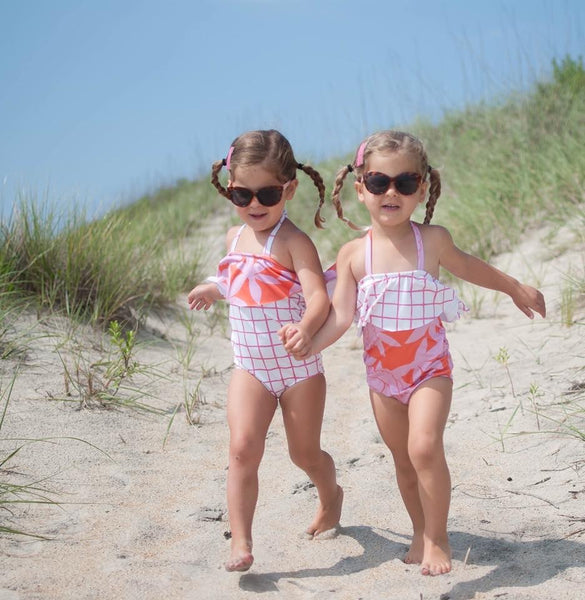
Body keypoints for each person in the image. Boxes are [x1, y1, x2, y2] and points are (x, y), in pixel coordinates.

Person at [280, 130, 546, 576]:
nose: (392, 192)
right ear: (361, 187)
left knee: (424, 448)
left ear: (421, 188)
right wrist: (309, 346)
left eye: (405, 183)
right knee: (403, 460)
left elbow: (470, 267)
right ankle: (420, 533)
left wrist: (514, 287)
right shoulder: (352, 255)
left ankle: (439, 539)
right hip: (382, 378)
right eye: (380, 182)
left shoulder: (432, 240)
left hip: (429, 368)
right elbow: (342, 317)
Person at [187, 129, 343, 573]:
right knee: (241, 449)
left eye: (268, 193)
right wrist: (213, 287)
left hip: (298, 369)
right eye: (242, 194)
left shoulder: (294, 242)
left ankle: (331, 495)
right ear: (230, 189)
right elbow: (237, 278)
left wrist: (306, 327)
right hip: (251, 367)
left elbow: (318, 298)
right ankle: (240, 541)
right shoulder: (235, 237)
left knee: (304, 454)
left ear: (289, 189)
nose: (255, 204)